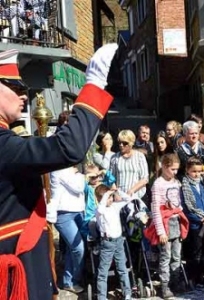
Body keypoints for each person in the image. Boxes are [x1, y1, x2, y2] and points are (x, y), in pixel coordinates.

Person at [0, 44, 117, 300]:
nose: (23, 95)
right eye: (16, 88)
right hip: (15, 277)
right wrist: (94, 85)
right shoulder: (3, 144)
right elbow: (69, 148)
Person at [144, 153, 189, 299]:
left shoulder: (176, 182)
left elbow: (178, 203)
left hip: (176, 221)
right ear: (164, 166)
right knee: (165, 256)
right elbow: (156, 209)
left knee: (177, 255)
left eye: (177, 169)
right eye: (173, 169)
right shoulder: (158, 184)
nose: (175, 172)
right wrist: (161, 232)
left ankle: (176, 282)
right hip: (165, 224)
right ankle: (165, 286)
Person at [49, 166, 86, 293]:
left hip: (79, 211)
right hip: (63, 214)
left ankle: (68, 279)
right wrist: (82, 174)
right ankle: (72, 280)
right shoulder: (58, 169)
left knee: (73, 249)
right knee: (78, 247)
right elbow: (79, 187)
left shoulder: (72, 171)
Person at [181, 157, 204, 287]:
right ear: (187, 171)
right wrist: (201, 219)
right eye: (194, 171)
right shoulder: (185, 186)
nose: (197, 174)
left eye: (199, 171)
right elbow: (186, 208)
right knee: (196, 252)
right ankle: (195, 277)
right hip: (196, 225)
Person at [95, 186, 132, 300]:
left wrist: (117, 191)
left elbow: (128, 199)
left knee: (122, 268)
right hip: (107, 243)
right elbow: (101, 209)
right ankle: (102, 296)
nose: (110, 200)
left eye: (111, 197)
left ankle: (127, 293)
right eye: (107, 198)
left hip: (119, 241)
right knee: (103, 271)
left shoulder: (115, 206)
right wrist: (106, 195)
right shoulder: (99, 210)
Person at [109, 129, 149, 200]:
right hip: (120, 197)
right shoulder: (114, 158)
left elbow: (145, 179)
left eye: (124, 143)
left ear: (131, 143)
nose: (121, 145)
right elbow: (111, 179)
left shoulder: (140, 156)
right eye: (119, 142)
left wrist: (131, 191)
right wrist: (115, 192)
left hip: (137, 196)